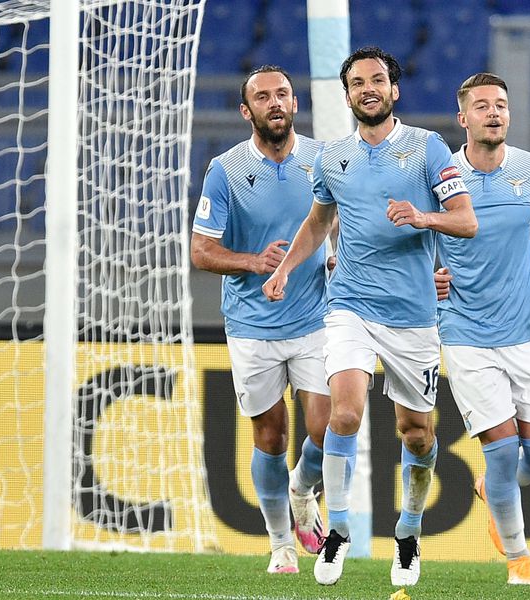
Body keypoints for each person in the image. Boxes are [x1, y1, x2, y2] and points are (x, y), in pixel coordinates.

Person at [262, 46, 477, 587]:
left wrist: (420, 216)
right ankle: (337, 531)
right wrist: (287, 268)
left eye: (377, 80)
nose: (368, 89)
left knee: (418, 434)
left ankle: (408, 532)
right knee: (345, 413)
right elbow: (317, 222)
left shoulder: (428, 149)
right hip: (349, 305)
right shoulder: (333, 157)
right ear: (348, 93)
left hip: (413, 314)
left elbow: (466, 220)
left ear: (394, 90)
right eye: (357, 82)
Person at [190, 65, 330, 575]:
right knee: (270, 436)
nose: (275, 103)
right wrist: (254, 261)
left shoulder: (322, 160)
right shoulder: (225, 170)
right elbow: (201, 251)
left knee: (330, 425)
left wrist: (339, 256)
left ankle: (301, 490)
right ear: (246, 111)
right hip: (253, 324)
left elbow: (341, 221)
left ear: (295, 104)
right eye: (263, 97)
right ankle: (281, 547)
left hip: (316, 318)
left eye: (283, 94)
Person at [435, 73, 530, 586]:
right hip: (465, 333)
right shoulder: (440, 174)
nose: (494, 113)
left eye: (501, 105)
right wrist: (428, 276)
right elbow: (411, 238)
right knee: (500, 444)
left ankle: (492, 489)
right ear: (463, 117)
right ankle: (520, 561)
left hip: (525, 331)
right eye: (482, 106)